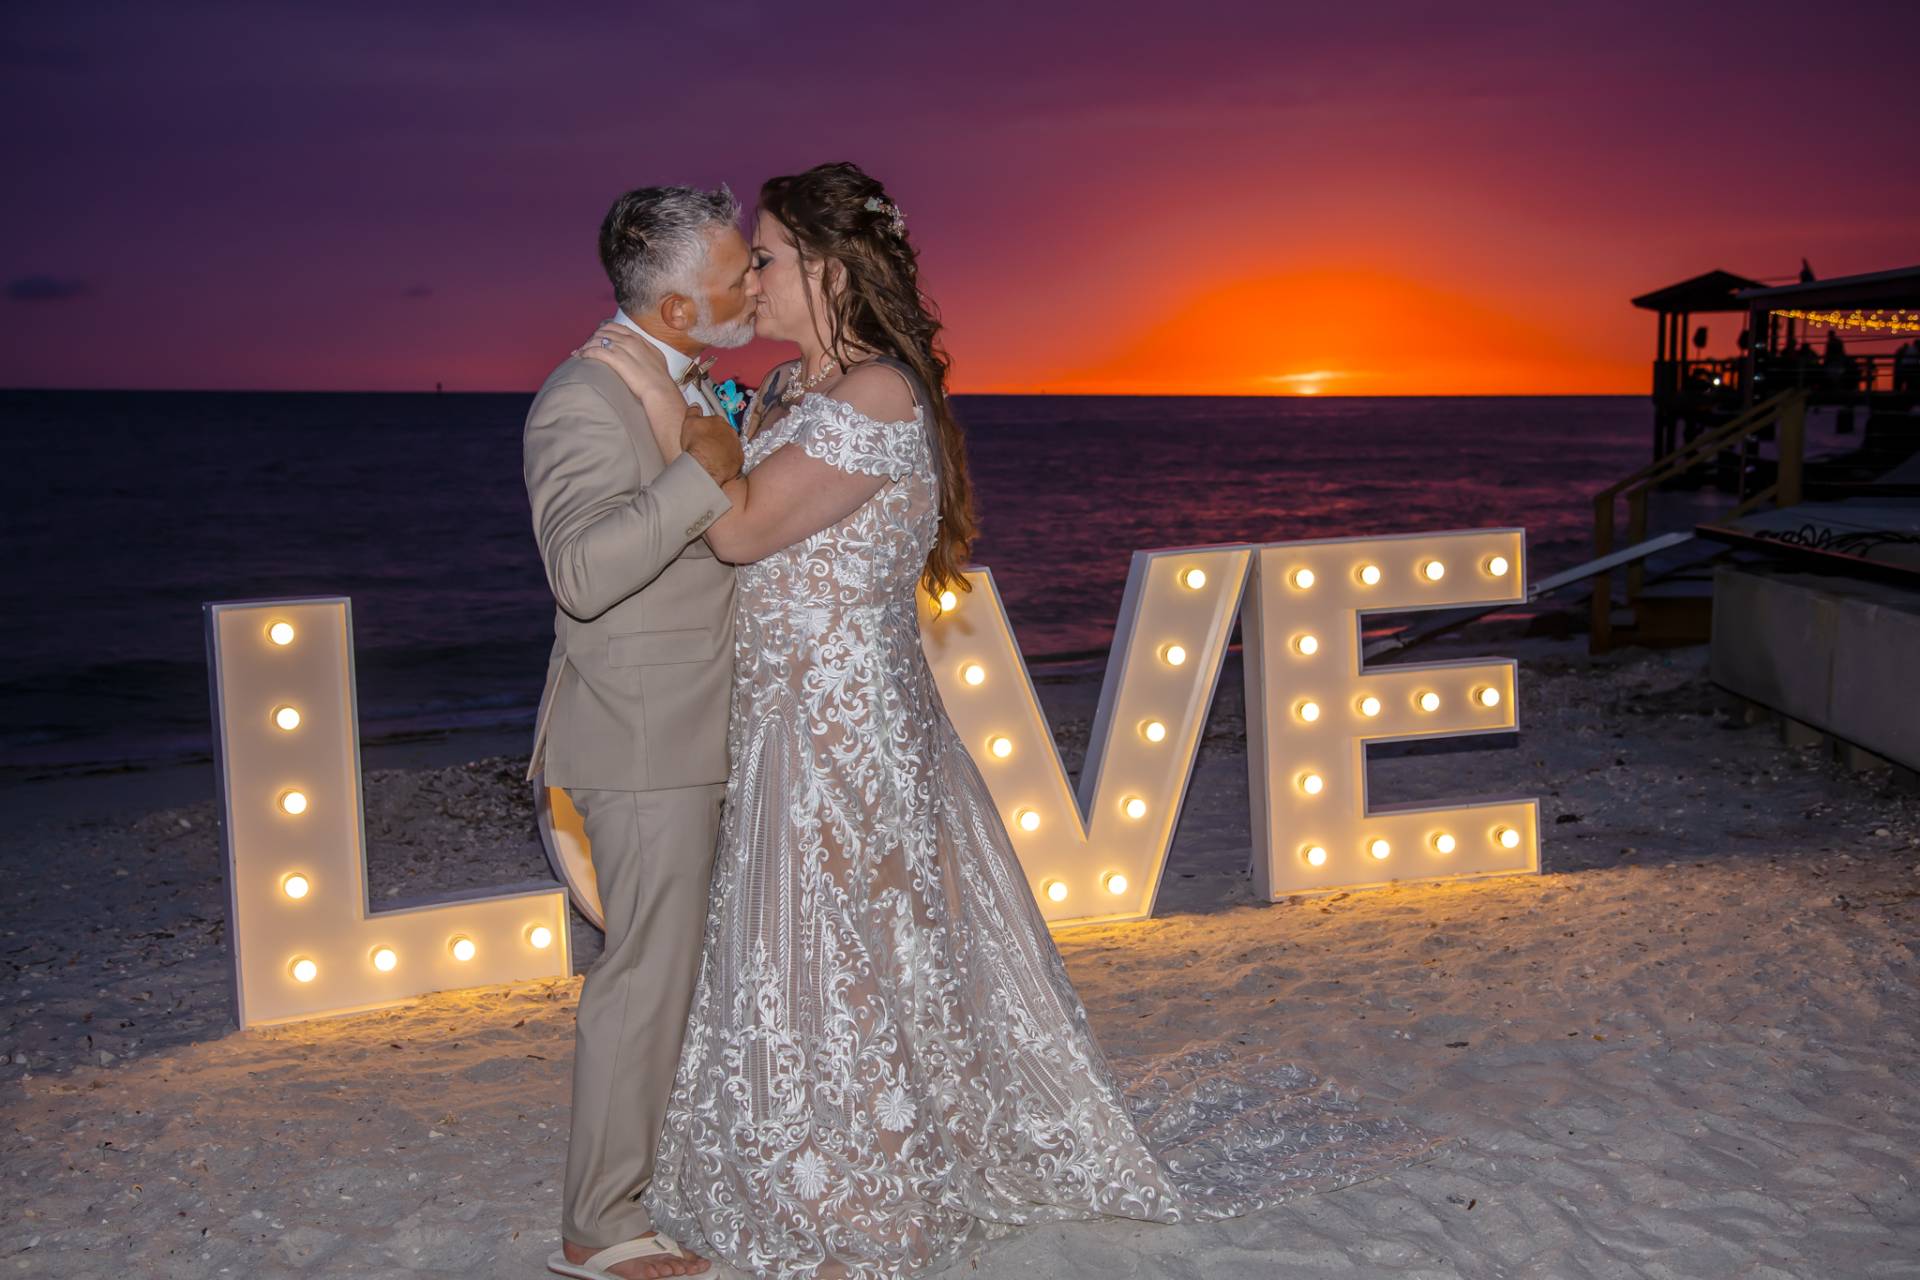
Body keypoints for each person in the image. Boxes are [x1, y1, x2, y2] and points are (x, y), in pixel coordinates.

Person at [581, 162, 1435, 1280]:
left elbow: (738, 534)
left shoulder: (879, 393)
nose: (754, 270)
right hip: (773, 705)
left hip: (845, 720)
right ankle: (785, 1158)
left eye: (771, 254)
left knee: (853, 948)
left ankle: (867, 1204)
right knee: (786, 943)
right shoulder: (791, 383)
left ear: (831, 267)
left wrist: (680, 421)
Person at [525, 184, 757, 1280]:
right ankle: (599, 1225)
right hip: (643, 736)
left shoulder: (682, 376)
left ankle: (646, 1183)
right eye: (738, 271)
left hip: (699, 717)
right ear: (674, 309)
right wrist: (700, 477)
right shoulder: (583, 397)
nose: (755, 282)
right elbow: (579, 572)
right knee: (644, 978)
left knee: (676, 972)